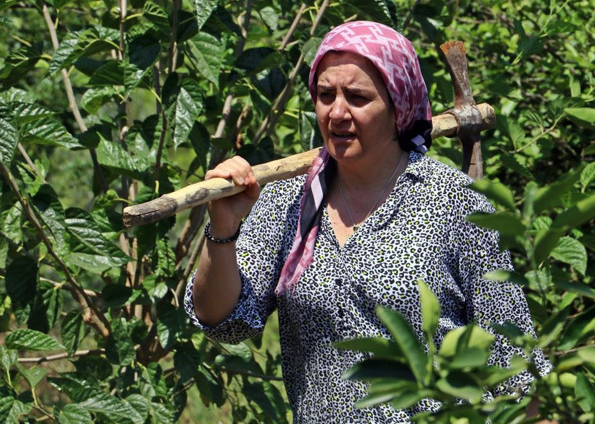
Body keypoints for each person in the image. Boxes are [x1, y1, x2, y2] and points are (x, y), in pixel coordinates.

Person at [184, 21, 550, 422]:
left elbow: (513, 356)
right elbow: (223, 322)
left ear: (398, 106)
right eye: (325, 95)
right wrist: (223, 229)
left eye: (356, 97)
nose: (336, 113)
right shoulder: (289, 200)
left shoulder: (453, 201)